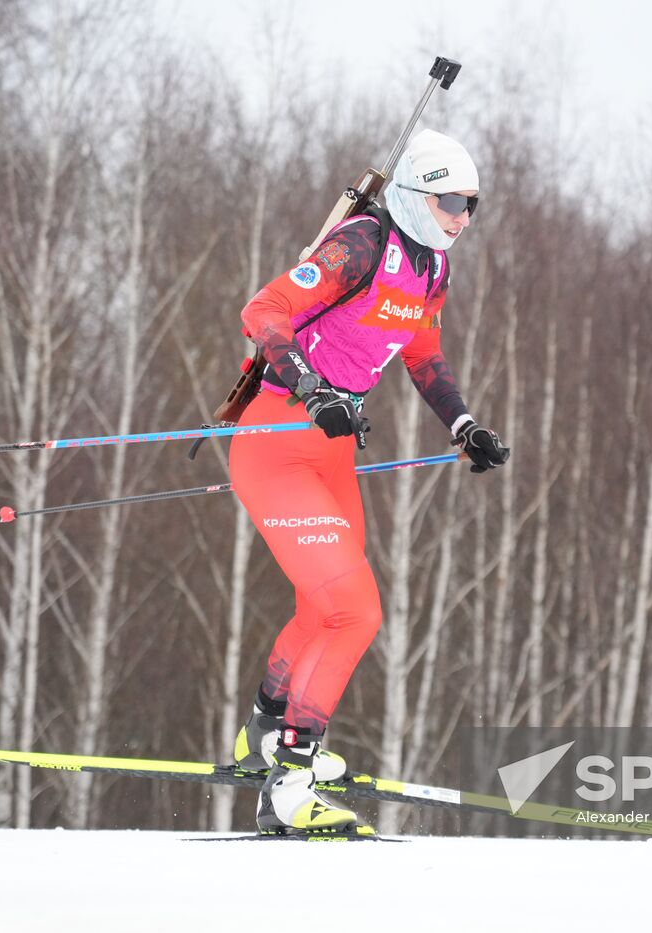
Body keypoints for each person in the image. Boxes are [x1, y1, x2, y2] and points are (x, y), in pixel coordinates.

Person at [226, 129, 510, 835]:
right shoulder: (359, 245)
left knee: (324, 608)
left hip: (328, 454)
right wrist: (309, 384)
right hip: (275, 439)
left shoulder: (431, 269)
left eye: (472, 204)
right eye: (451, 201)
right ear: (416, 195)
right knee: (355, 610)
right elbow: (262, 312)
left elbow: (422, 352)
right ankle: (290, 787)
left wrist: (464, 424)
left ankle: (264, 739)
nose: (463, 217)